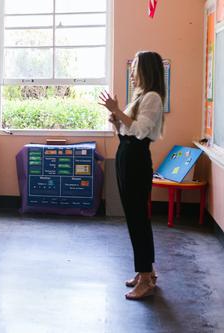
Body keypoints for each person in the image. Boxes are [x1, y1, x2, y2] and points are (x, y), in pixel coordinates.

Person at [99, 51, 165, 300]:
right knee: (133, 216)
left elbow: (139, 131)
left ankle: (146, 278)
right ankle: (144, 270)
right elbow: (126, 130)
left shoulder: (153, 98)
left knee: (138, 217)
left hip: (136, 158)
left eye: (136, 66)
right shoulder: (139, 96)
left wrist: (118, 110)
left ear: (146, 69)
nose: (132, 71)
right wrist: (116, 120)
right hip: (126, 154)